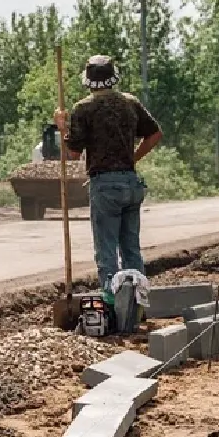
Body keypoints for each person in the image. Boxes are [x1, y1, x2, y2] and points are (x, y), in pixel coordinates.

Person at [54, 56, 163, 296]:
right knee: (131, 249)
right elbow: (155, 135)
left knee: (107, 253)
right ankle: (138, 304)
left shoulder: (84, 108)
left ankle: (113, 306)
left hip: (105, 186)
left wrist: (63, 128)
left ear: (89, 81)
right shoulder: (130, 103)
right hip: (131, 184)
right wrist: (132, 158)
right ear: (113, 78)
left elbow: (73, 152)